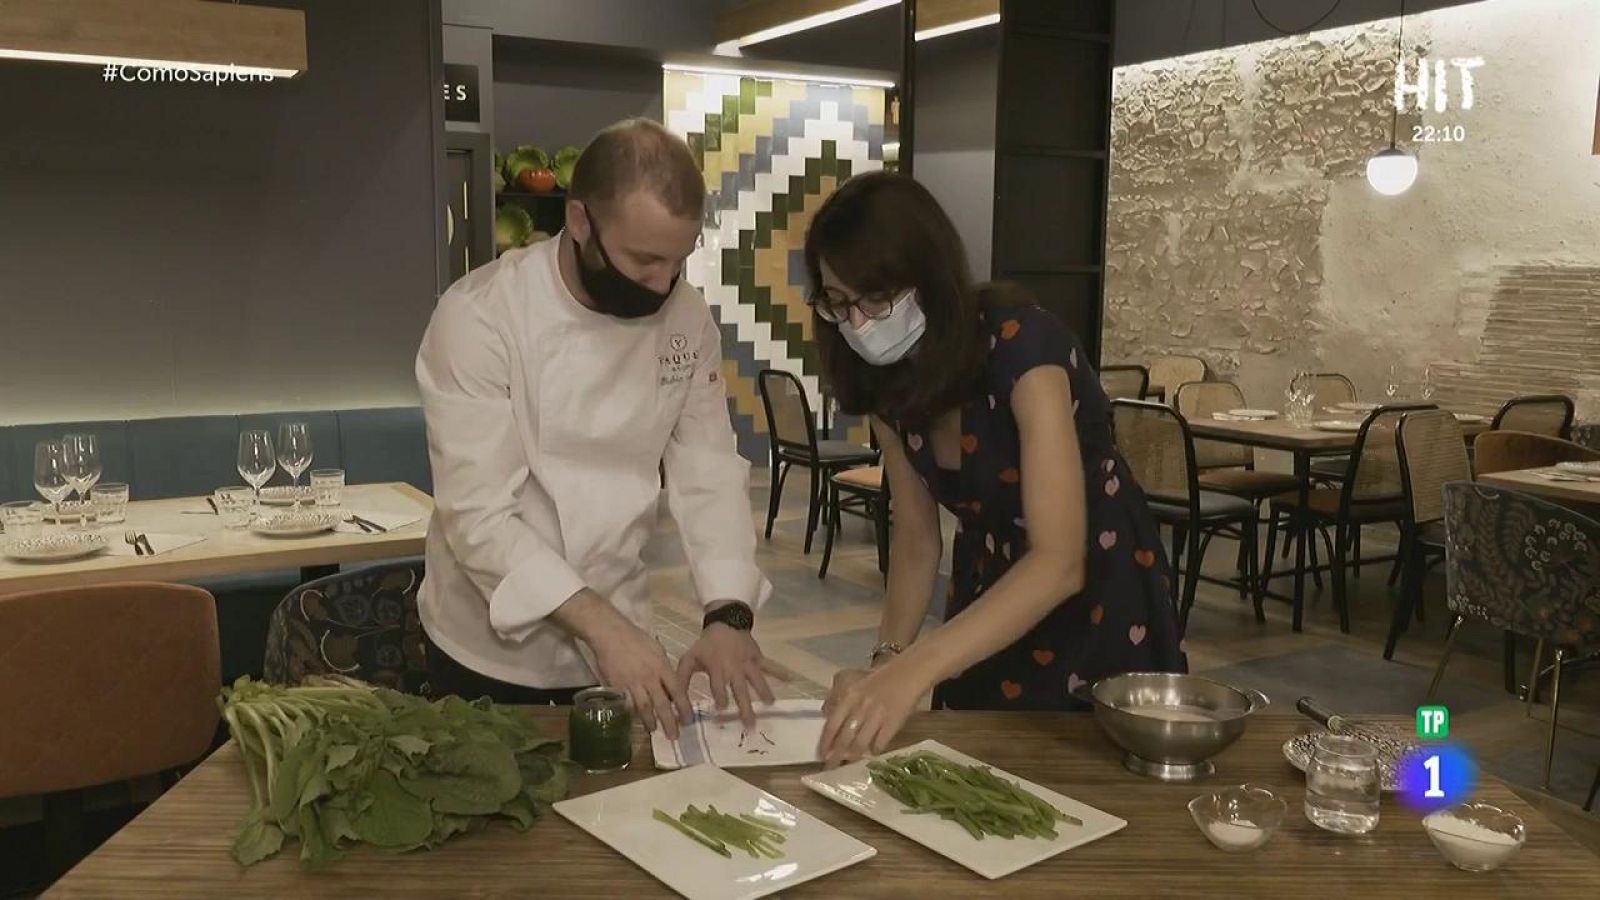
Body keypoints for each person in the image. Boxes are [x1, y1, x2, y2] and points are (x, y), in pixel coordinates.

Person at [807, 172, 1186, 765]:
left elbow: (1060, 562)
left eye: (876, 300)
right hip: (990, 590)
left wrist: (916, 670)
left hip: (1101, 582)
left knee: (1090, 781)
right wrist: (886, 659)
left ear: (928, 279)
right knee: (982, 766)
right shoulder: (882, 382)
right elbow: (914, 537)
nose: (857, 324)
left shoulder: (1021, 346)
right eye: (837, 302)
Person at [415, 119, 778, 739]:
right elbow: (480, 516)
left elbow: (707, 469)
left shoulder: (685, 318)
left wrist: (728, 613)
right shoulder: (480, 317)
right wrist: (607, 628)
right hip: (487, 646)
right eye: (643, 260)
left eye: (678, 262)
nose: (663, 285)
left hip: (619, 627)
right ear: (579, 221)